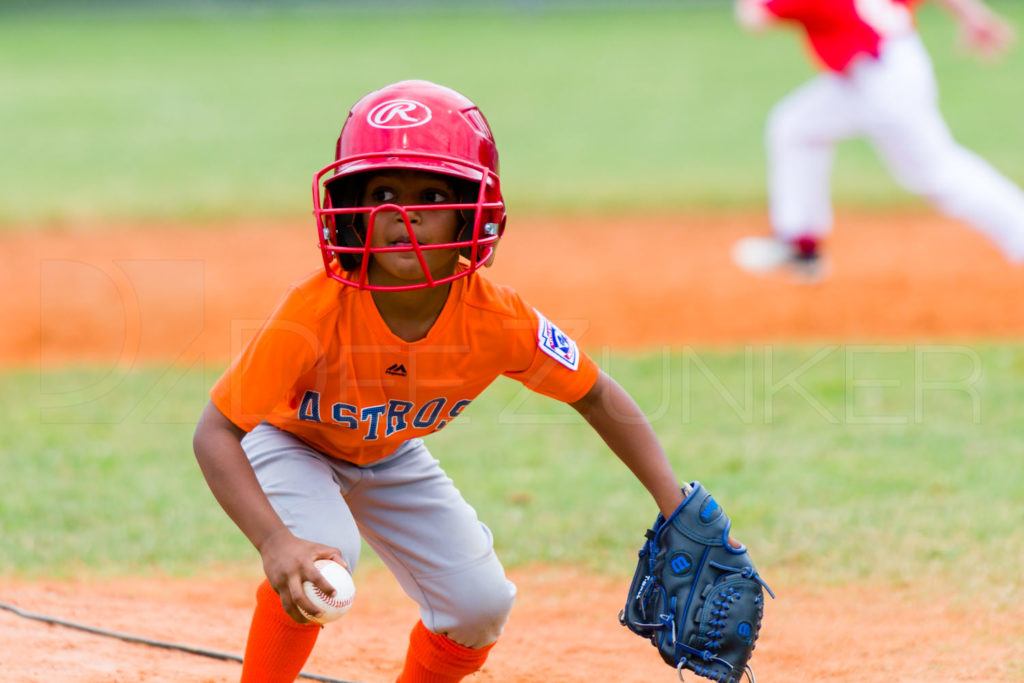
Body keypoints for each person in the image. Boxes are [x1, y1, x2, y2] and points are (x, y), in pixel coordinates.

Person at [192, 79, 692, 682]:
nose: (404, 214)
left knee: (479, 606)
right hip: (290, 441)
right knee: (322, 562)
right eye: (381, 192)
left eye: (431, 193)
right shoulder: (315, 309)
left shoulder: (497, 319)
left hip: (389, 453)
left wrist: (675, 505)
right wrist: (275, 540)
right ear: (351, 210)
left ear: (470, 213)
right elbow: (216, 431)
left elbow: (596, 394)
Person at [731, 0, 1024, 280]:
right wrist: (972, 14)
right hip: (881, 67)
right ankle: (800, 242)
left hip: (883, 80)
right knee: (795, 129)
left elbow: (753, 18)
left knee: (938, 174)